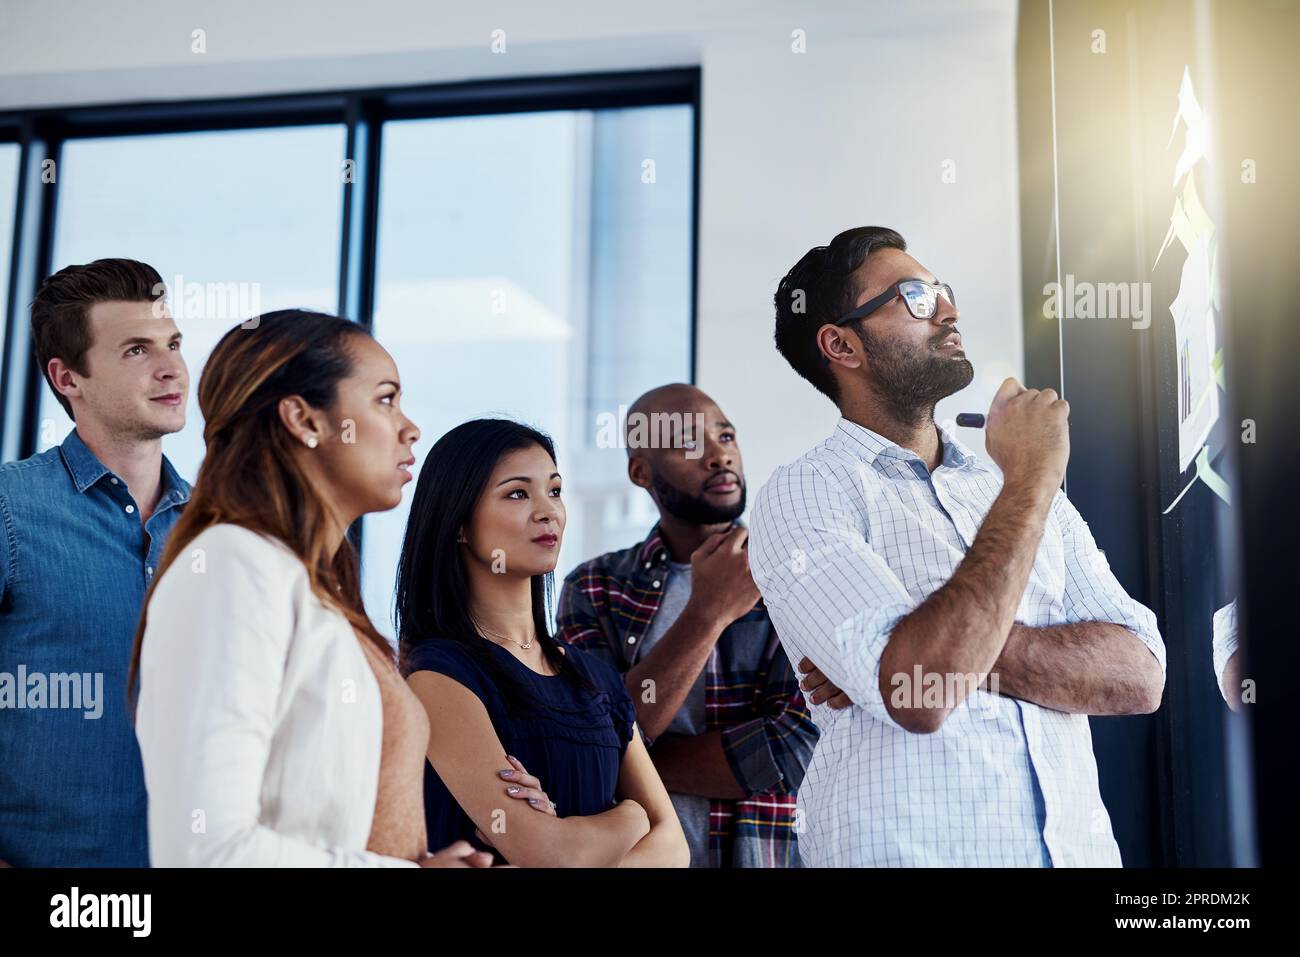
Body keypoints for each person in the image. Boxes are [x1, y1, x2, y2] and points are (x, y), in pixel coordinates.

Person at [748, 226, 1166, 867]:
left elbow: (1139, 676)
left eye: (941, 290)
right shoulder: (806, 492)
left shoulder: (1006, 481)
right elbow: (922, 696)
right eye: (914, 297)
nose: (948, 310)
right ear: (841, 344)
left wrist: (943, 648)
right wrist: (1030, 480)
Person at [132, 310, 513, 867]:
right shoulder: (231, 567)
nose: (411, 429)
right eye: (385, 400)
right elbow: (205, 850)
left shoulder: (315, 590)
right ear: (303, 420)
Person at [395, 418, 688, 867]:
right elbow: (548, 854)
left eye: (554, 490)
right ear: (459, 524)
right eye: (517, 493)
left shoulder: (595, 680)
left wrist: (574, 841)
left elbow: (674, 849)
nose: (547, 510)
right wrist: (631, 817)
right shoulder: (438, 675)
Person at [557, 383, 817, 867]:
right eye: (689, 444)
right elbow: (588, 735)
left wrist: (632, 765)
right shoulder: (595, 586)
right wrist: (709, 612)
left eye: (725, 436)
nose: (719, 457)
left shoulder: (797, 575)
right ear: (641, 471)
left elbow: (797, 746)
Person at [0, 259, 190, 867]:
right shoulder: (11, 508)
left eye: (173, 344)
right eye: (136, 350)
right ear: (67, 377)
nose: (171, 369)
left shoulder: (222, 529)